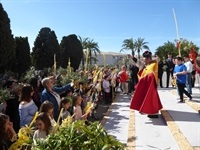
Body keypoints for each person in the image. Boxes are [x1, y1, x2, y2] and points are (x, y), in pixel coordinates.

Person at [130, 50, 163, 118]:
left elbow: (151, 75)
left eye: (146, 59)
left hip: (151, 85)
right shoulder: (145, 65)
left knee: (151, 98)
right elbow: (139, 63)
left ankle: (153, 113)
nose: (144, 60)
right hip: (146, 84)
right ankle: (148, 111)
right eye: (144, 59)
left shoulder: (153, 64)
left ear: (150, 59)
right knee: (146, 98)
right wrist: (132, 57)